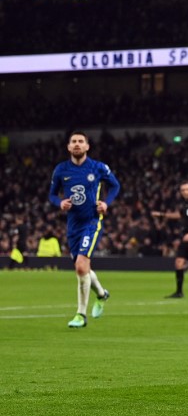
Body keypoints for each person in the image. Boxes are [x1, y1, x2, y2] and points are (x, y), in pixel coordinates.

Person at [48, 131, 119, 328]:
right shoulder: (61, 170)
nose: (77, 144)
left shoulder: (98, 167)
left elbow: (115, 186)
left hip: (92, 222)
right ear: (68, 147)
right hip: (73, 225)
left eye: (81, 141)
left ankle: (81, 315)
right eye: (74, 142)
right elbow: (52, 195)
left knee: (80, 266)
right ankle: (102, 294)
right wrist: (59, 202)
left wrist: (106, 203)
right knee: (83, 268)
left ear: (87, 146)